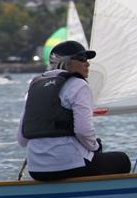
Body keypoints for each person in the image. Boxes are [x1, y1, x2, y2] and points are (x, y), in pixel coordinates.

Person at [17, 40, 131, 181]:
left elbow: (22, 139)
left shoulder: (33, 88)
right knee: (122, 160)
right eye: (82, 59)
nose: (87, 63)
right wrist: (95, 147)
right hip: (70, 166)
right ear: (67, 62)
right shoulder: (78, 85)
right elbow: (83, 131)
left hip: (37, 170)